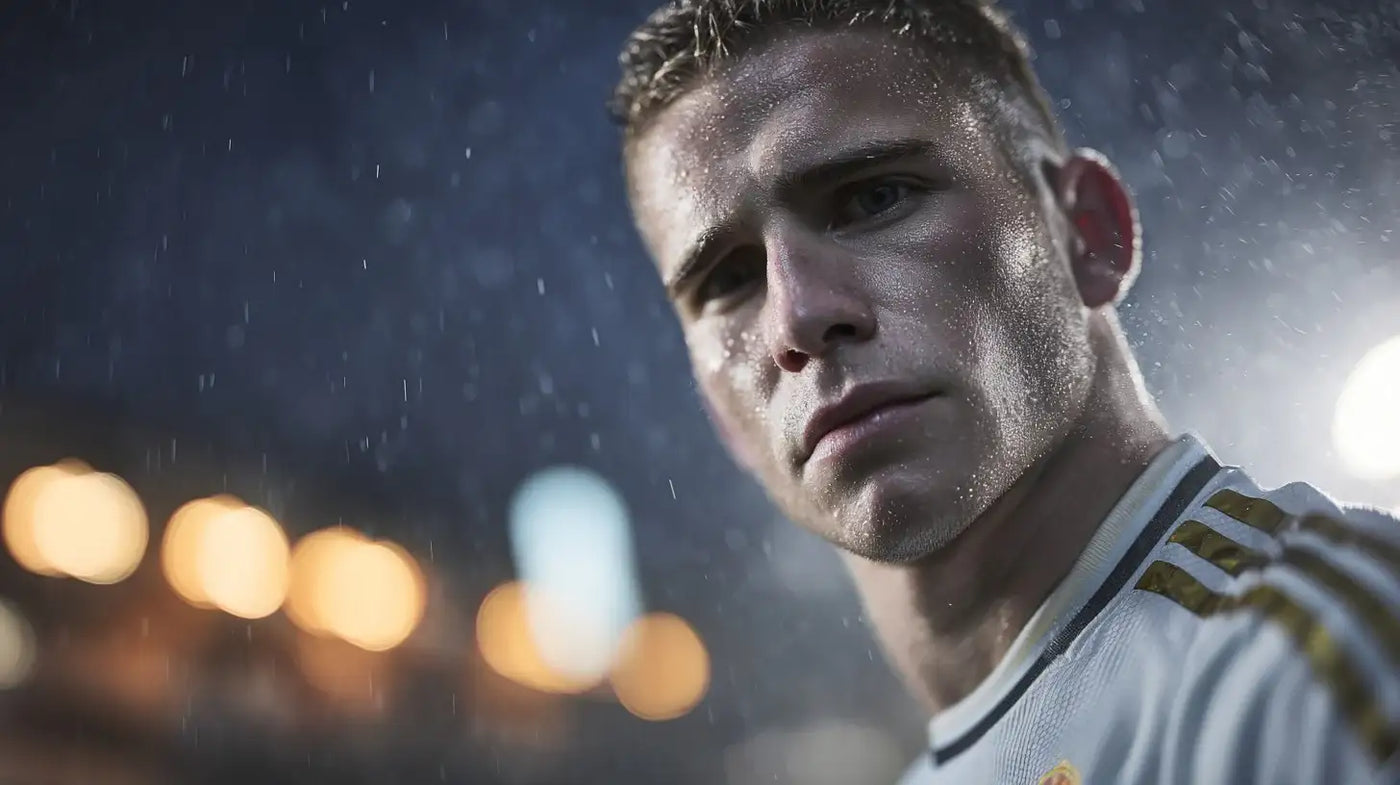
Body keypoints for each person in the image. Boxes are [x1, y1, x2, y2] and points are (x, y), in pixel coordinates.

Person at [608, 1, 1400, 783]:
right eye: (731, 278)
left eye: (873, 197)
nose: (800, 316)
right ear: (720, 414)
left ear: (1086, 231)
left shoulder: (1323, 663)